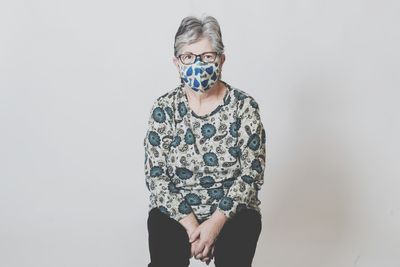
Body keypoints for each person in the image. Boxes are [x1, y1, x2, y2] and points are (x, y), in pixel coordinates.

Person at [144, 15, 266, 267]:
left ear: (222, 59)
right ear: (176, 62)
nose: (198, 64)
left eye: (207, 56)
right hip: (177, 212)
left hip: (232, 212)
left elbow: (251, 173)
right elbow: (156, 175)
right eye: (188, 57)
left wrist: (214, 224)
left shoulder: (244, 107)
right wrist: (193, 227)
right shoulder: (164, 108)